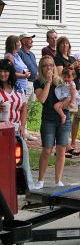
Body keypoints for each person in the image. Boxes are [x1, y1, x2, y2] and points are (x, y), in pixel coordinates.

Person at [33, 55, 71, 189]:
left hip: (63, 119)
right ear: (41, 68)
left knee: (61, 150)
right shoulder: (38, 82)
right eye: (45, 65)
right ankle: (40, 180)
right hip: (48, 119)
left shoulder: (60, 80)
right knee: (47, 150)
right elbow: (42, 99)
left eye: (51, 65)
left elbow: (68, 99)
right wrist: (48, 82)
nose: (49, 67)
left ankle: (58, 180)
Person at [0, 59, 34, 189]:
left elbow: (24, 107)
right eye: (0, 71)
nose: (3, 74)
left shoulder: (18, 88)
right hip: (2, 130)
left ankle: (28, 186)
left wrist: (23, 125)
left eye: (6, 71)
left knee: (23, 156)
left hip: (15, 129)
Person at [54, 36, 80, 156]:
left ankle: (66, 145)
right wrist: (72, 64)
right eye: (62, 44)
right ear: (59, 46)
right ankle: (62, 146)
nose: (65, 46)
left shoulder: (72, 57)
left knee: (68, 120)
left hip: (74, 90)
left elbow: (78, 75)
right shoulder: (58, 59)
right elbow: (62, 73)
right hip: (65, 92)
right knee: (64, 119)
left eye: (67, 43)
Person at [18, 31, 38, 141]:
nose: (31, 40)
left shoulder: (31, 54)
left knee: (29, 108)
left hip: (33, 83)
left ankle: (26, 131)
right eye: (29, 38)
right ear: (23, 41)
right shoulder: (20, 53)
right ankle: (22, 131)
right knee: (23, 107)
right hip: (25, 83)